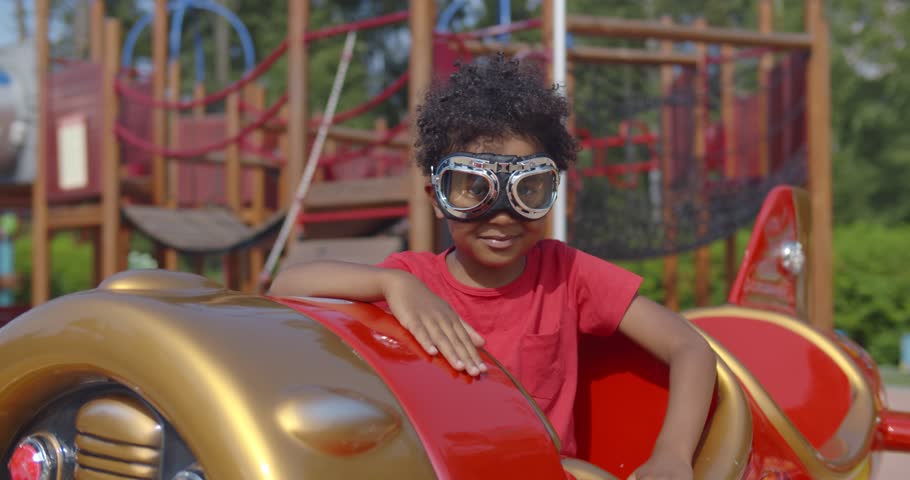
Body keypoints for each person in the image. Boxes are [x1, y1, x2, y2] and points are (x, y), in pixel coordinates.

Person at [270, 54, 716, 480]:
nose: (502, 215)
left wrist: (673, 456)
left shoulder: (568, 273)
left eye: (528, 191)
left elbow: (691, 350)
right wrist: (390, 282)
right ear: (437, 200)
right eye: (472, 189)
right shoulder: (412, 279)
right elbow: (285, 286)